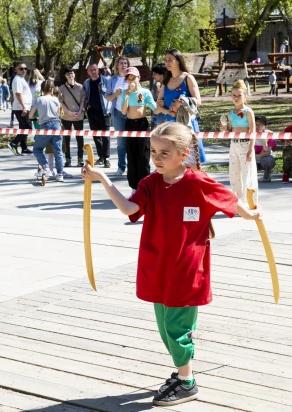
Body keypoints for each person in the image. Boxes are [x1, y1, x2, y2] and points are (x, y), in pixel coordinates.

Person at [80, 122, 261, 407]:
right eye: (153, 151)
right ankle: (181, 373)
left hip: (186, 268)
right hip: (158, 266)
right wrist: (102, 178)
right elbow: (130, 208)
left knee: (178, 328)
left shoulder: (196, 181)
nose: (156, 157)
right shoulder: (150, 184)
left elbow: (228, 199)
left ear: (183, 153)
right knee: (165, 328)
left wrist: (249, 215)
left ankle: (187, 381)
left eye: (164, 152)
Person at [156, 49, 206, 163]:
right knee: (174, 164)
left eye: (170, 60)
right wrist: (168, 111)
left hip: (187, 126)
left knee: (192, 163)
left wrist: (181, 101)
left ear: (178, 61)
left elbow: (198, 101)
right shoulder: (165, 81)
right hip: (171, 128)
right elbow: (157, 107)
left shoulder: (188, 78)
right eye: (165, 60)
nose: (167, 62)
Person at [219, 80, 258, 204]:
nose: (236, 98)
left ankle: (250, 203)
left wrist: (251, 149)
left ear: (245, 96)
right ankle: (238, 203)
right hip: (233, 144)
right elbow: (231, 130)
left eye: (239, 95)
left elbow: (253, 131)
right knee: (234, 175)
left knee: (247, 175)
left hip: (245, 144)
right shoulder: (230, 113)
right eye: (233, 95)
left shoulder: (248, 112)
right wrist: (226, 129)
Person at [120, 66, 158, 194]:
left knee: (143, 154)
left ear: (138, 78)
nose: (131, 80)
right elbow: (123, 111)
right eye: (128, 78)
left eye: (133, 78)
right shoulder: (125, 93)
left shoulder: (145, 92)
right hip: (130, 124)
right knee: (131, 154)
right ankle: (134, 186)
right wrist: (126, 96)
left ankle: (145, 185)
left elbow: (154, 107)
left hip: (142, 124)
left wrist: (163, 107)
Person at [29, 79, 65, 182]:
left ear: (42, 89)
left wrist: (36, 118)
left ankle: (46, 168)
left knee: (37, 149)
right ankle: (60, 174)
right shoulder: (55, 99)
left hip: (45, 125)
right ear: (52, 89)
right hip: (56, 125)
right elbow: (58, 113)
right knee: (58, 151)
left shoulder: (38, 100)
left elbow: (30, 115)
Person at [83, 63, 111, 168]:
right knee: (96, 136)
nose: (93, 72)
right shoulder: (86, 83)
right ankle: (101, 157)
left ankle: (107, 158)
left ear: (98, 70)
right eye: (91, 70)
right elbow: (84, 96)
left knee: (105, 136)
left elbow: (111, 95)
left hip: (104, 112)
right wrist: (86, 104)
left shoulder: (106, 81)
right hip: (92, 113)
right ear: (88, 72)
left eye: (95, 69)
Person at [106, 56, 130, 176]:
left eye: (125, 63)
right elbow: (108, 97)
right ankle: (121, 167)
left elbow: (140, 94)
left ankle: (133, 166)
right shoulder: (112, 80)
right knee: (121, 142)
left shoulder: (131, 78)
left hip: (131, 112)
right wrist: (116, 94)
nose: (124, 65)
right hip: (117, 113)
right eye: (121, 63)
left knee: (132, 140)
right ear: (117, 65)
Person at [58, 66, 86, 167]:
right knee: (66, 139)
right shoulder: (62, 88)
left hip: (78, 116)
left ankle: (80, 159)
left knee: (80, 138)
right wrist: (68, 112)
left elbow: (83, 100)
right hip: (66, 116)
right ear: (65, 76)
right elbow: (61, 102)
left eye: (72, 73)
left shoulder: (80, 87)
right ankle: (68, 159)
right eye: (68, 73)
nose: (71, 75)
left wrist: (79, 111)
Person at [9, 62, 33, 155]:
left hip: (23, 107)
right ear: (16, 69)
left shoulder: (21, 79)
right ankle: (14, 143)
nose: (24, 70)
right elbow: (18, 94)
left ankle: (24, 148)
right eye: (21, 68)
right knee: (28, 127)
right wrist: (24, 107)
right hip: (21, 108)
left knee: (23, 127)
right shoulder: (17, 79)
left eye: (25, 68)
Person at [254, 115, 276, 182]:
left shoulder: (270, 134)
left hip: (264, 158)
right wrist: (259, 155)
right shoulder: (249, 134)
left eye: (260, 124)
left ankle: (267, 175)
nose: (257, 126)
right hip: (253, 157)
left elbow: (267, 151)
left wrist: (264, 140)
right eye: (255, 124)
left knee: (267, 160)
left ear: (265, 126)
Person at [150, 63, 167, 129]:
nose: (153, 76)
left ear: (161, 75)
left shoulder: (168, 85)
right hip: (157, 115)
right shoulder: (155, 85)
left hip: (165, 117)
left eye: (155, 74)